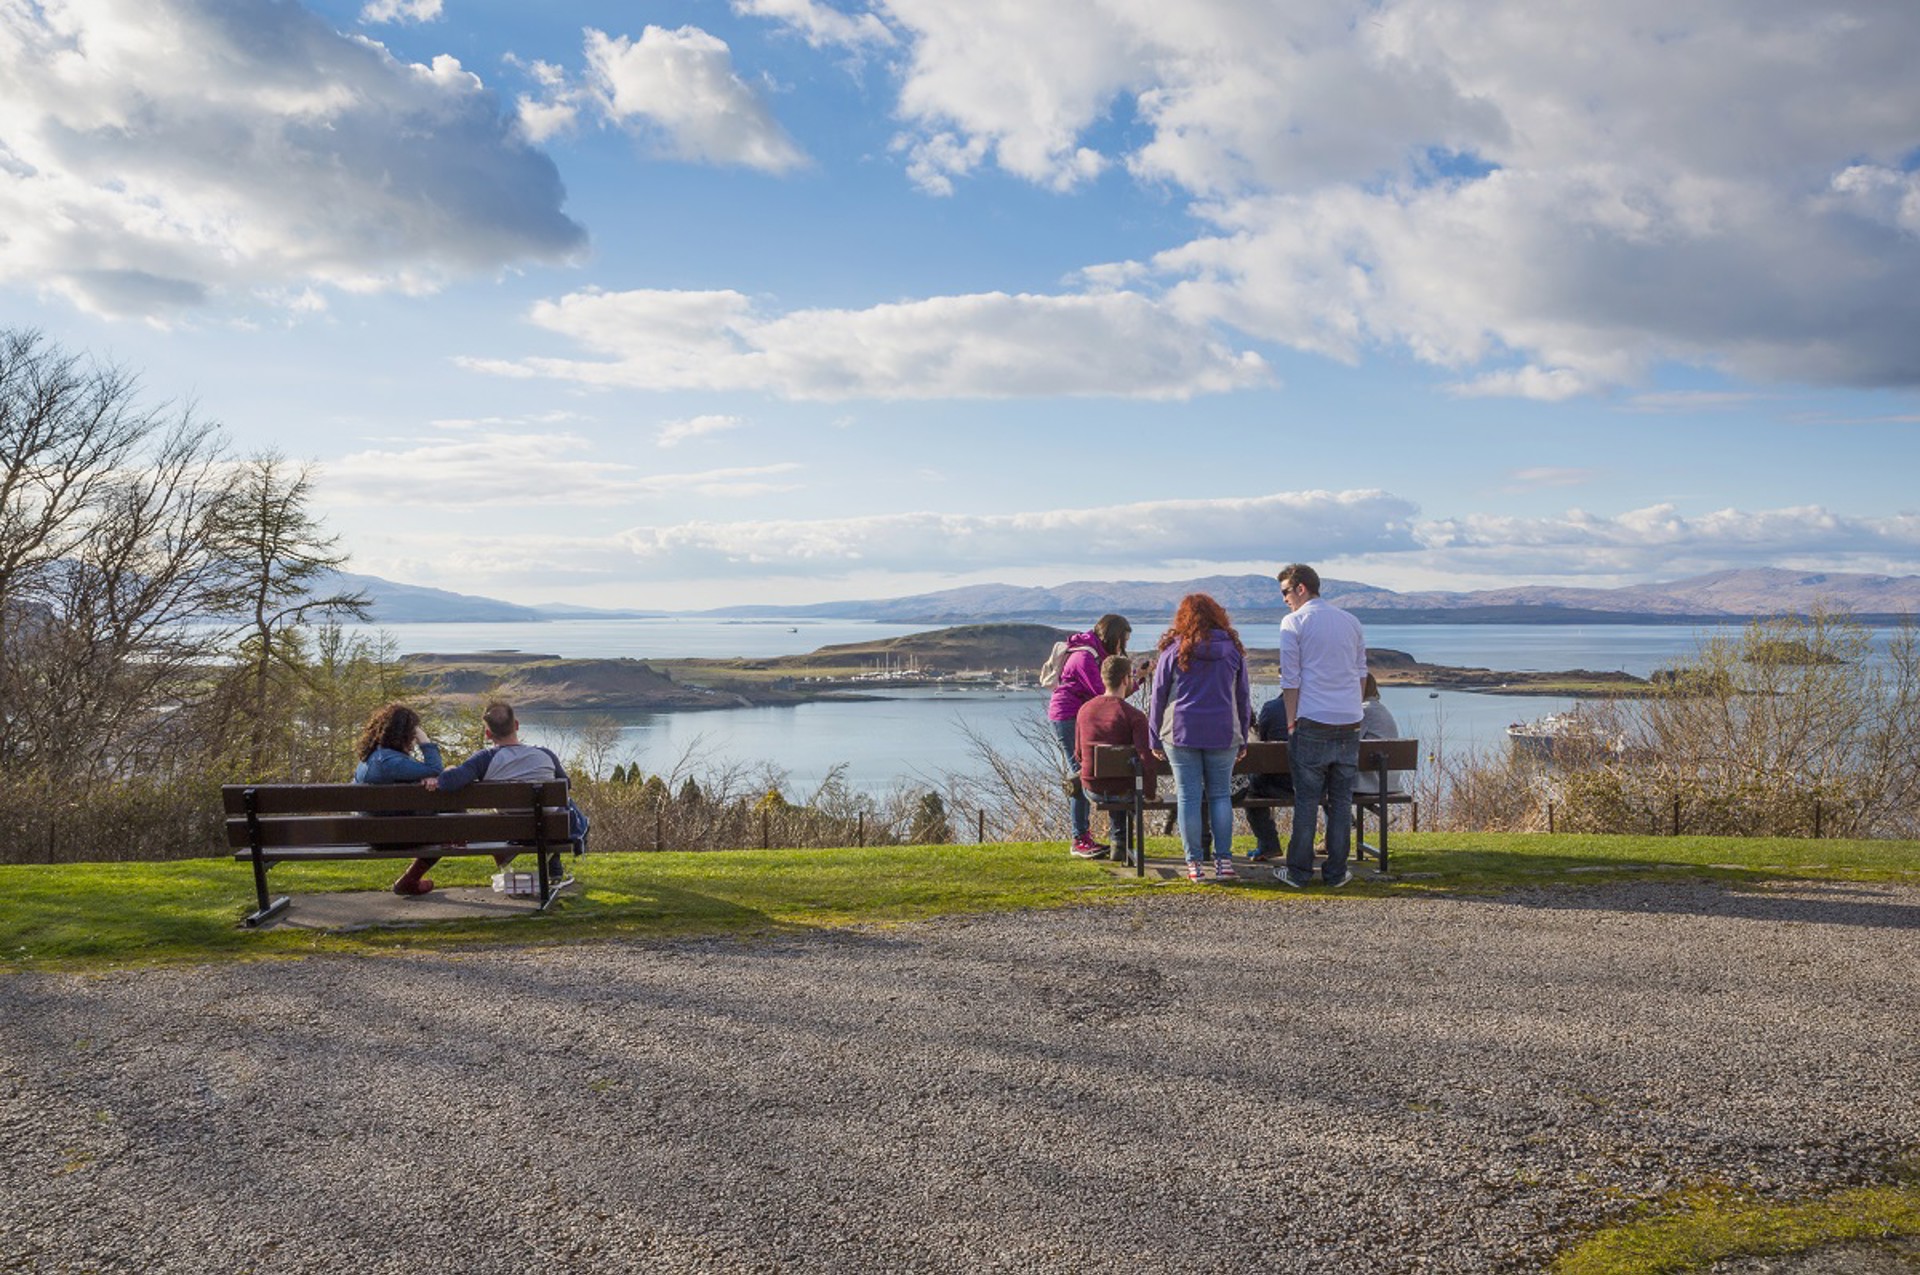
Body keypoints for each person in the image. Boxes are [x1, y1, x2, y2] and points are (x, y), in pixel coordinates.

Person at [1274, 563, 1368, 889]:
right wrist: (1352, 707)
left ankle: (1299, 872)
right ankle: (1336, 872)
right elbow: (1361, 672)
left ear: (1301, 588)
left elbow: (1290, 678)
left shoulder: (1294, 622)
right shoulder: (1350, 621)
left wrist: (1290, 721)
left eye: (1286, 591)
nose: (1284, 599)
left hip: (1312, 719)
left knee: (1307, 800)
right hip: (1349, 720)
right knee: (1340, 801)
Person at [1148, 593, 1251, 882]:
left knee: (1188, 797)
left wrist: (1154, 737)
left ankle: (1194, 864)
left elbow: (1157, 697)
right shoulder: (1232, 651)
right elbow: (1243, 698)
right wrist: (1243, 736)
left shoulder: (1173, 651)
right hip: (1223, 732)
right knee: (1220, 796)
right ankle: (1224, 861)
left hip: (1180, 732)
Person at [423, 700, 579, 881]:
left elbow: (449, 782)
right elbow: (566, 785)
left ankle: (546, 864)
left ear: (488, 734)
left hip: (510, 831)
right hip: (549, 831)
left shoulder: (485, 759)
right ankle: (554, 866)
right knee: (560, 807)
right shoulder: (545, 754)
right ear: (516, 725)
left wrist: (449, 769)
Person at [1046, 613, 1133, 857]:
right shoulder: (1085, 657)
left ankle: (1084, 837)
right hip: (1068, 717)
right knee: (1081, 774)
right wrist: (1132, 682)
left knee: (1086, 771)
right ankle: (1079, 839)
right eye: (1123, 641)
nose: (1123, 647)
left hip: (1080, 716)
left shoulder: (1094, 653)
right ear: (1115, 637)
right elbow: (1105, 694)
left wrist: (1132, 680)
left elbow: (1110, 695)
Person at [351, 703, 443, 896]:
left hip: (372, 836)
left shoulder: (368, 760)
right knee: (450, 820)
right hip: (397, 837)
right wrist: (424, 739)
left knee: (447, 820)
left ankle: (409, 881)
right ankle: (410, 879)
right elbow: (435, 768)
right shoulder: (392, 763)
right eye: (413, 734)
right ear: (407, 735)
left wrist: (423, 776)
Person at [1073, 655, 1157, 861]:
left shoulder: (1084, 710)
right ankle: (1119, 841)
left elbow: (1078, 754)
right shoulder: (1134, 715)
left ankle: (1119, 843)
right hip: (1122, 791)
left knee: (1116, 781)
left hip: (1092, 788)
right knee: (1124, 785)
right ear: (1125, 680)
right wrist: (1150, 792)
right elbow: (1145, 757)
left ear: (1104, 679)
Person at [1241, 691, 1294, 863]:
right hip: (1314, 783)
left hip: (1277, 784)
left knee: (1251, 791)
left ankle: (1268, 844)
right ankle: (1306, 846)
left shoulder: (1271, 708)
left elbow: (1261, 742)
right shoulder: (1317, 707)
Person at [1353, 673, 1410, 797]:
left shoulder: (1363, 711)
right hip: (1390, 783)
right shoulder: (1380, 709)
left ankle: (1335, 811)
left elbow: (1348, 742)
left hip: (1370, 784)